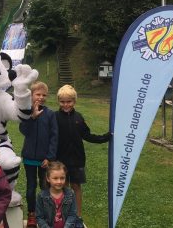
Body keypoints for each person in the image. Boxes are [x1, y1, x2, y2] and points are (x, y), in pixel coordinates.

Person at [55, 84, 111, 223]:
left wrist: (104, 137)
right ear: (58, 102)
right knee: (63, 187)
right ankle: (63, 214)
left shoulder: (79, 117)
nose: (66, 104)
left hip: (77, 160)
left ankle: (78, 215)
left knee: (76, 187)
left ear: (74, 101)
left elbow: (87, 135)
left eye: (69, 101)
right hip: (60, 160)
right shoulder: (55, 117)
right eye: (62, 101)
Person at [19, 81, 58, 228]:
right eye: (38, 94)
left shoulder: (50, 114)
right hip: (29, 158)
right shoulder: (26, 112)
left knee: (45, 188)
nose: (41, 97)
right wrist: (32, 117)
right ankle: (32, 214)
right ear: (31, 95)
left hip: (44, 160)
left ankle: (45, 214)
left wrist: (49, 157)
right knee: (31, 187)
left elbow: (55, 137)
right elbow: (23, 130)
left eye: (44, 95)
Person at [35, 161, 77, 228]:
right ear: (48, 178)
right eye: (55, 178)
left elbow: (72, 215)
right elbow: (39, 217)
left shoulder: (70, 194)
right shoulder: (41, 196)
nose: (59, 181)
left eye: (62, 178)